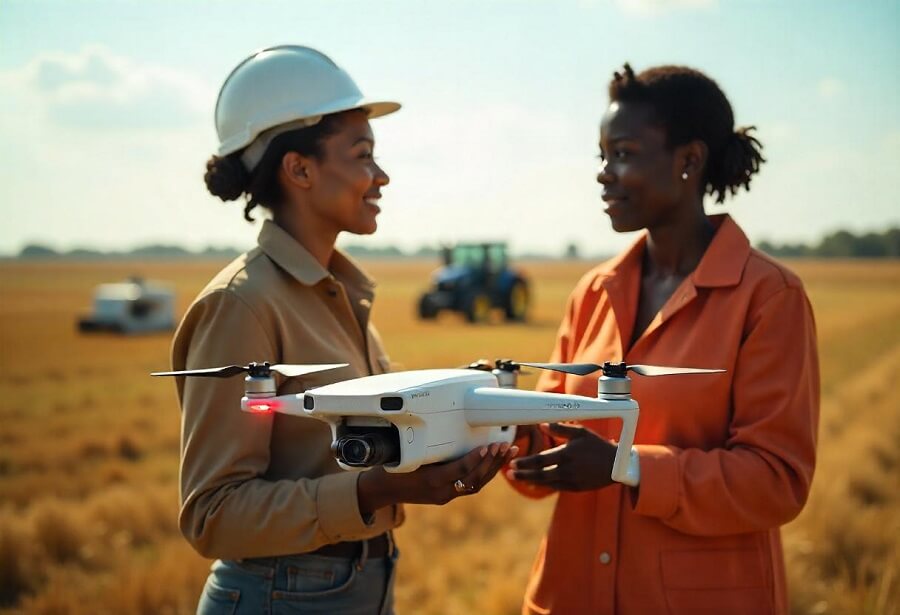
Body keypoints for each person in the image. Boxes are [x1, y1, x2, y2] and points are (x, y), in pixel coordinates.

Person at [171, 45, 515, 615]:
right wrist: (383, 488)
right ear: (299, 169)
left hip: (361, 582)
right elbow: (215, 514)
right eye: (362, 156)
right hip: (279, 594)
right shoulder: (243, 306)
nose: (381, 175)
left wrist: (461, 405)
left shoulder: (337, 294)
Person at [506, 63, 820, 615]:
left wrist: (626, 466)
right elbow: (548, 444)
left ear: (689, 160)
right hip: (570, 596)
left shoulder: (769, 297)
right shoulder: (593, 291)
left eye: (623, 153)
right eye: (601, 155)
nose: (604, 173)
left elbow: (776, 479)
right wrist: (493, 427)